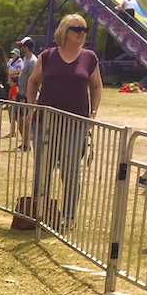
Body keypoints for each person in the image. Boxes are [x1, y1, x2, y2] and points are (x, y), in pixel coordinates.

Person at [26, 14, 103, 231]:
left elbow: (96, 86)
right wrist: (32, 106)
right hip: (45, 122)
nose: (81, 33)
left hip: (75, 123)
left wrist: (93, 113)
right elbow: (33, 82)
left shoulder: (89, 57)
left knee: (71, 172)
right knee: (43, 169)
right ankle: (40, 214)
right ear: (64, 30)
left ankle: (68, 217)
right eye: (76, 28)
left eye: (84, 30)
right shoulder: (48, 55)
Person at [15, 37, 37, 150]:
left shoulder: (33, 61)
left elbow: (32, 80)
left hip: (26, 94)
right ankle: (24, 142)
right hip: (21, 92)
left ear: (27, 47)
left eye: (22, 46)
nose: (20, 48)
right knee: (20, 120)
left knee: (25, 121)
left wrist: (28, 97)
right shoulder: (25, 59)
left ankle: (26, 144)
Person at [6, 47, 23, 137]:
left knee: (15, 117)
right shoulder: (10, 61)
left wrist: (12, 72)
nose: (13, 55)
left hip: (16, 79)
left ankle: (13, 132)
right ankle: (12, 131)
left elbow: (20, 70)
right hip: (11, 78)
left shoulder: (20, 61)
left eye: (14, 54)